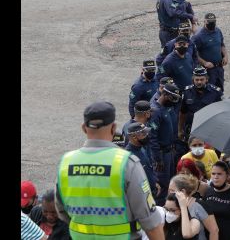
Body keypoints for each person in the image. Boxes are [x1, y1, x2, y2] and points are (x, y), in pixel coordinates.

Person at [54, 101, 164, 239]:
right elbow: (150, 220)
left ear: (83, 128)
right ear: (113, 128)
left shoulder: (66, 163)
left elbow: (62, 211)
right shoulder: (126, 163)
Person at [149, 83, 183, 200]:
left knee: (169, 182)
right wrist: (158, 159)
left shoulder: (166, 108)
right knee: (161, 186)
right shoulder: (155, 111)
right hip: (161, 155)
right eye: (172, 98)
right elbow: (152, 138)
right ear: (164, 94)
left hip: (169, 151)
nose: (174, 101)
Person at [178, 67, 223, 140]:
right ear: (193, 79)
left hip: (209, 130)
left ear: (207, 79)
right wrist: (180, 130)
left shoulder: (216, 92)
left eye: (202, 79)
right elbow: (183, 112)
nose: (199, 82)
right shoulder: (187, 92)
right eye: (197, 80)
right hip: (192, 129)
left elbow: (221, 113)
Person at [192, 12, 228, 90]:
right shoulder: (198, 36)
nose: (212, 24)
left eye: (213, 22)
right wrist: (204, 62)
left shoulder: (218, 31)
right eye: (209, 22)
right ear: (204, 22)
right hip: (208, 70)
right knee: (210, 91)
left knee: (220, 89)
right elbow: (194, 53)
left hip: (219, 67)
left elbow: (221, 44)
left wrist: (225, 56)